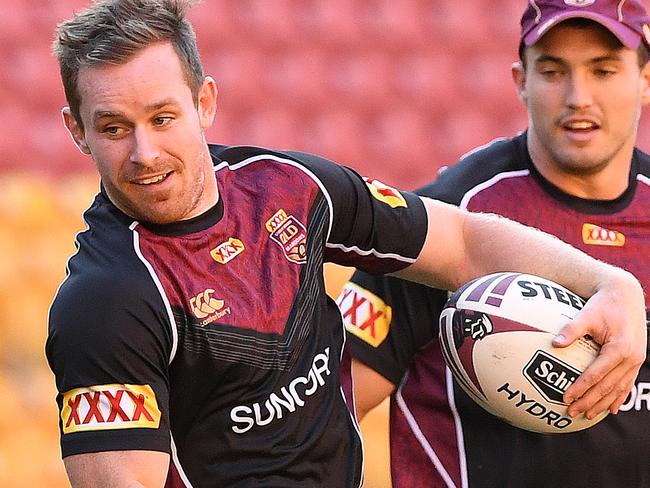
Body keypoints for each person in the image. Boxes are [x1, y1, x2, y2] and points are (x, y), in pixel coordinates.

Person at [45, 0, 646, 486]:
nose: (145, 153)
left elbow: (461, 240)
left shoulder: (290, 187)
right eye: (114, 128)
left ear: (204, 102)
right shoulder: (104, 304)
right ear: (76, 130)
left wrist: (610, 283)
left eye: (163, 117)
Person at [340, 0, 650, 487]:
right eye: (552, 71)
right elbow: (328, 403)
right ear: (520, 81)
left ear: (646, 80)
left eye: (604, 70)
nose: (578, 97)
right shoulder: (451, 216)